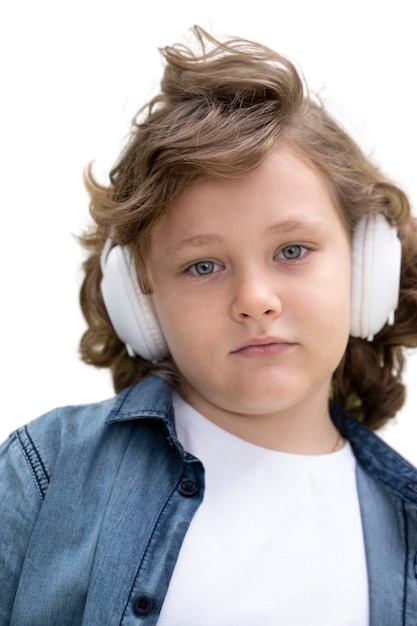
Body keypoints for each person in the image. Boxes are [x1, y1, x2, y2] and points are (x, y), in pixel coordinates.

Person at [1, 25, 417, 626]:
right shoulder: (46, 473)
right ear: (139, 300)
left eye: (293, 251)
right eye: (203, 265)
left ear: (365, 268)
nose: (255, 300)